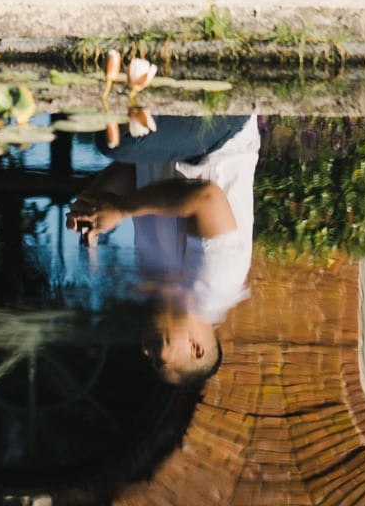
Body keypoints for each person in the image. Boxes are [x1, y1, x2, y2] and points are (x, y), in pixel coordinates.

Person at [66, 113, 260, 386]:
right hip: (221, 129)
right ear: (196, 348)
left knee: (122, 141)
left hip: (184, 139)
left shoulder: (158, 282)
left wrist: (92, 202)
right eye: (160, 360)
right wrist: (121, 210)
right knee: (117, 140)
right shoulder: (217, 285)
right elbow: (206, 198)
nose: (146, 350)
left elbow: (136, 172)